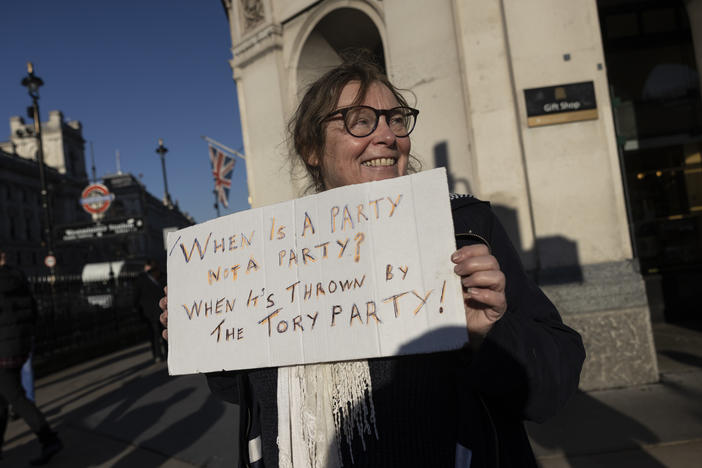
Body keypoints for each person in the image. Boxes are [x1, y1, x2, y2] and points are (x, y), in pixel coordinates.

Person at [159, 55, 586, 467]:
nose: (387, 135)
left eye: (396, 119)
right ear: (312, 148)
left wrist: (489, 335)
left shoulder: (463, 226)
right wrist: (205, 335)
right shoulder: (273, 254)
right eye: (360, 120)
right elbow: (245, 392)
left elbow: (552, 386)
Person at [0, 248, 63, 465]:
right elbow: (33, 313)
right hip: (19, 347)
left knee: (16, 398)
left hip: (2, 351)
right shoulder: (19, 279)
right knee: (4, 399)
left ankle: (48, 438)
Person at [134, 259, 167, 363]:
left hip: (162, 311)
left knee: (164, 333)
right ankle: (157, 354)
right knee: (154, 334)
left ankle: (167, 353)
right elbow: (136, 296)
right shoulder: (141, 280)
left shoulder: (163, 277)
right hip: (150, 313)